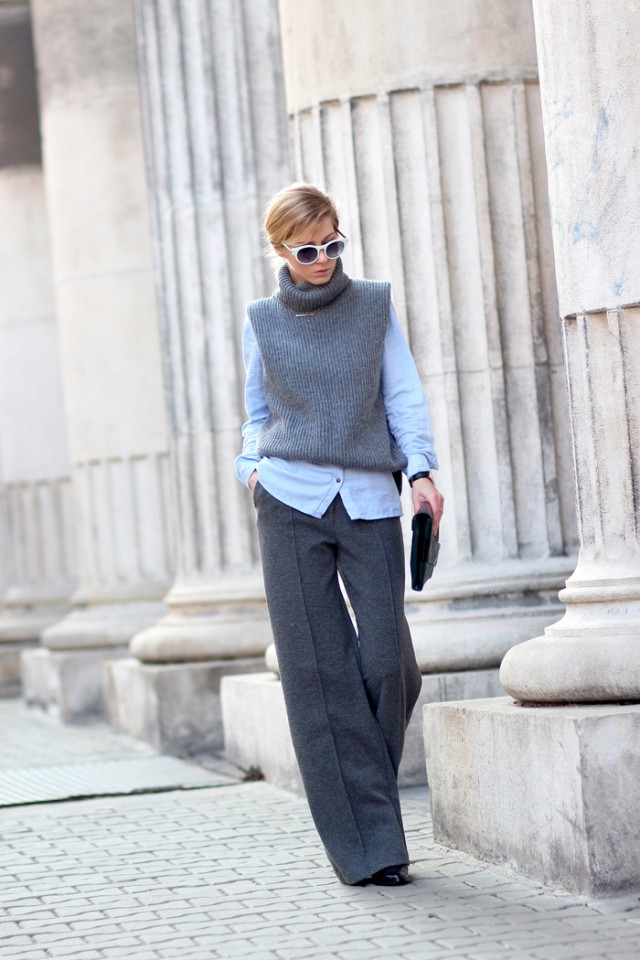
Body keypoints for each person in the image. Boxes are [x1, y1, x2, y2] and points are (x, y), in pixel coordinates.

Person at [235, 182, 444, 887]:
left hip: (367, 498)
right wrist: (251, 470)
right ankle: (371, 850)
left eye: (333, 244)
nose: (324, 258)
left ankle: (362, 806)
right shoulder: (262, 320)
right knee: (315, 674)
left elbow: (403, 395)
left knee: (391, 665)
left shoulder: (373, 307)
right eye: (308, 249)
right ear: (280, 250)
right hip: (289, 499)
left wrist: (421, 471)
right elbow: (254, 410)